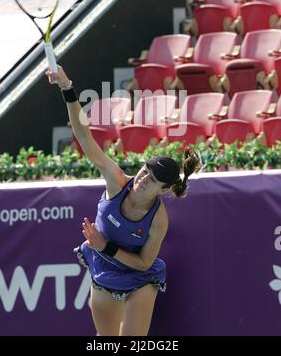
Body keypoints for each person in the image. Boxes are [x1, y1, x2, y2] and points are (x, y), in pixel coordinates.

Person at [47, 65, 201, 336]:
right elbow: (84, 136)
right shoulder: (115, 179)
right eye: (144, 171)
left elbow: (143, 263)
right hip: (103, 269)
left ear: (164, 189)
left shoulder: (158, 221)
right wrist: (66, 86)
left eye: (152, 179)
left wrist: (105, 246)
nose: (142, 179)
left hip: (139, 277)